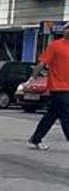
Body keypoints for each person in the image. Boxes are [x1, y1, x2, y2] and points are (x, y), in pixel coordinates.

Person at [28, 23, 69, 151]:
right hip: (58, 87)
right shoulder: (55, 45)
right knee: (66, 114)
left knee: (51, 115)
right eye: (68, 28)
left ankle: (35, 139)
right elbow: (42, 63)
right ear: (64, 30)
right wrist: (32, 78)